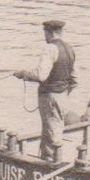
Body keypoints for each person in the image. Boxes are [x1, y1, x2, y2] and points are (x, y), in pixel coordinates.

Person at [13, 19, 76, 161]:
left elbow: (41, 75)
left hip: (49, 96)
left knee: (50, 131)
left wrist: (24, 74)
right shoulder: (70, 49)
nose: (44, 36)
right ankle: (53, 158)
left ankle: (50, 163)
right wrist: (63, 93)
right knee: (57, 128)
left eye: (45, 32)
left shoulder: (50, 48)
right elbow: (75, 79)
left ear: (49, 32)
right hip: (62, 96)